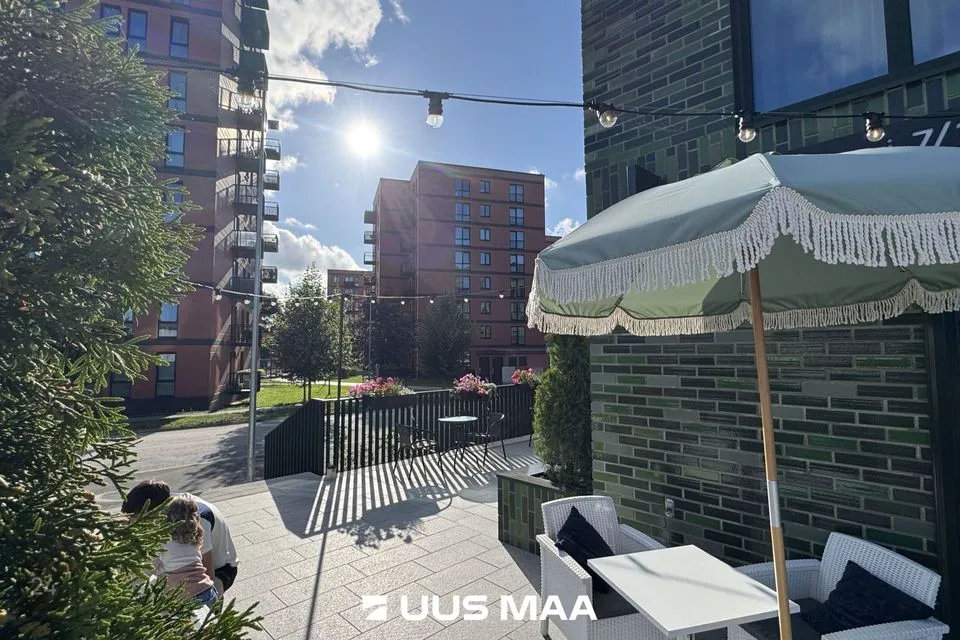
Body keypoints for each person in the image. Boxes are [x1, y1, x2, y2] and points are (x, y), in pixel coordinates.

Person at [122, 480, 239, 595]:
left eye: (137, 519)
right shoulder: (169, 505)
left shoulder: (193, 520)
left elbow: (208, 574)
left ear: (155, 512)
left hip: (221, 570)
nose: (133, 524)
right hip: (188, 571)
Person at [154, 496, 217, 607]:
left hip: (185, 596)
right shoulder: (193, 539)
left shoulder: (163, 541)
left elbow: (153, 567)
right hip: (207, 590)